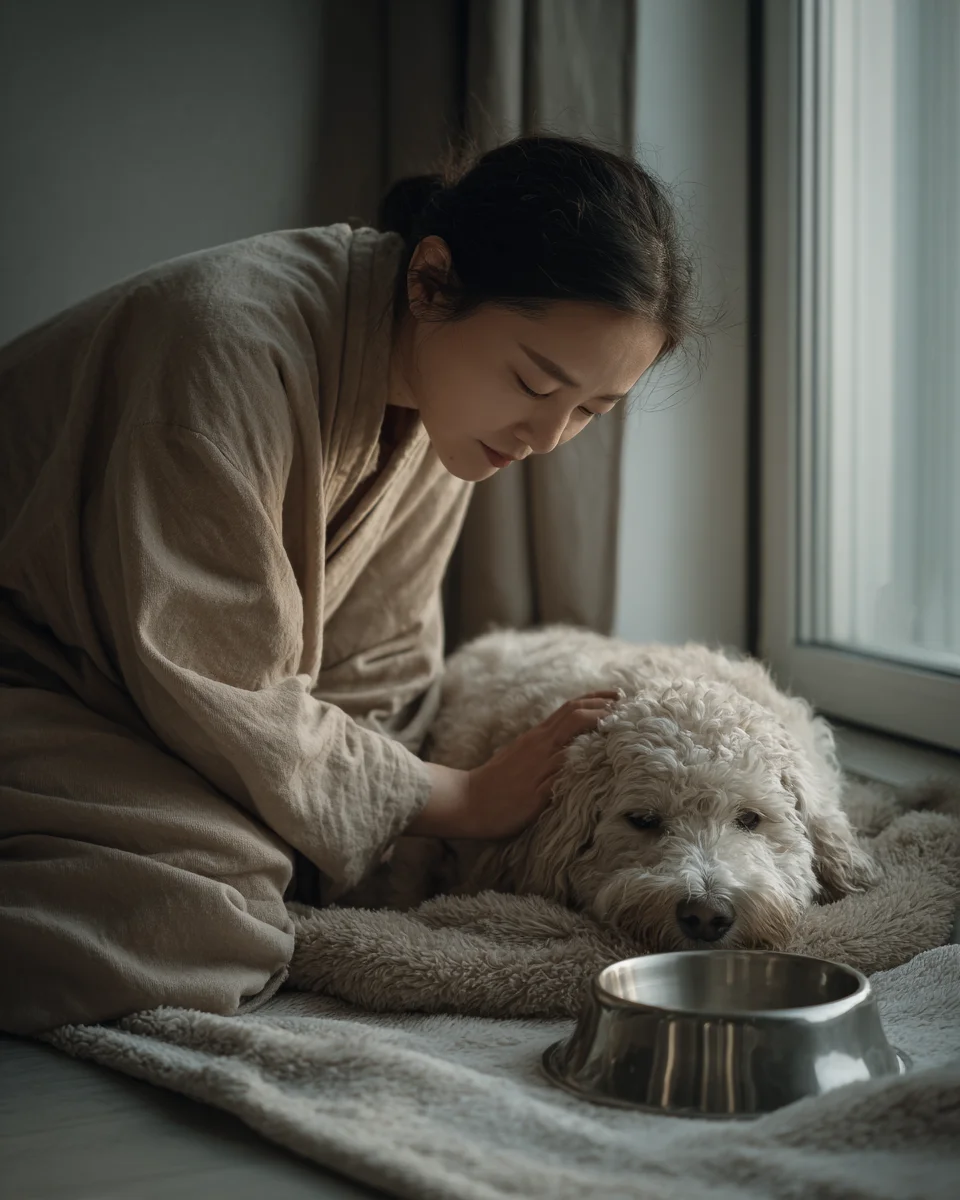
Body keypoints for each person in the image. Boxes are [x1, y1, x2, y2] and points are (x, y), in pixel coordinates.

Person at [0, 134, 699, 1034]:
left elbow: (381, 660)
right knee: (204, 922)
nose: (547, 435)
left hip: (143, 702)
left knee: (266, 880)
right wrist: (456, 800)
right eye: (534, 382)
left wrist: (372, 819)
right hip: (38, 672)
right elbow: (223, 683)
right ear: (431, 281)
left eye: (592, 411)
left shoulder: (446, 408)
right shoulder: (223, 347)